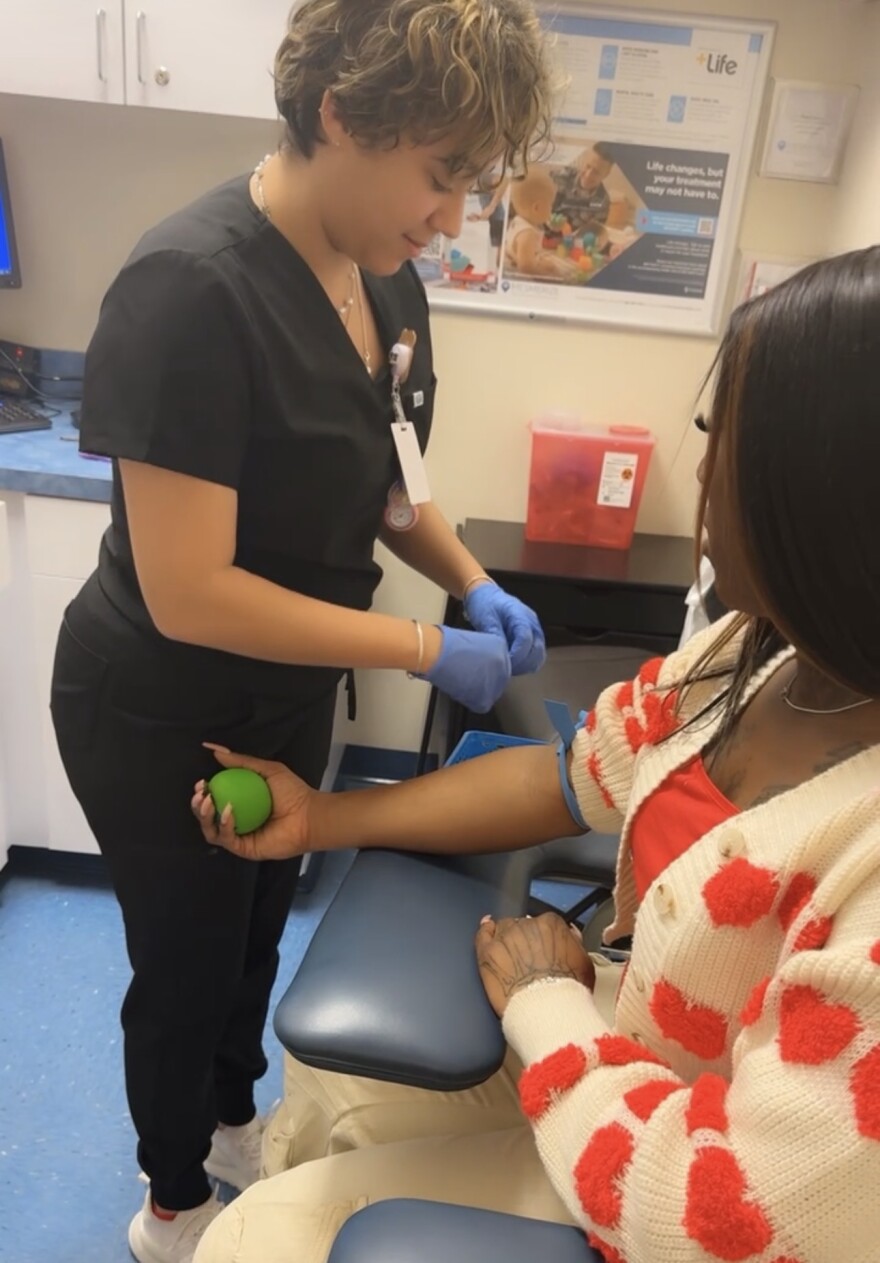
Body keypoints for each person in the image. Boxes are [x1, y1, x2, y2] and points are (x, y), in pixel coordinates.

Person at [192, 246, 880, 1263]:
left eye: (720, 440)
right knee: (333, 1094)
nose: (699, 475)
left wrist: (546, 1003)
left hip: (684, 1175)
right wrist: (323, 818)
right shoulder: (754, 656)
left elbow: (727, 1221)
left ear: (823, 490)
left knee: (253, 1237)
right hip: (637, 1044)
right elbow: (565, 776)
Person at [49, 3, 554, 1260]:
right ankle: (173, 1203)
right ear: (341, 115)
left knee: (258, 929)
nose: (451, 217)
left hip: (289, 688)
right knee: (186, 961)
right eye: (439, 175)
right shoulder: (190, 290)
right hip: (160, 700)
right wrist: (426, 649)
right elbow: (191, 591)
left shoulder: (384, 277)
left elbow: (390, 487)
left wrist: (469, 581)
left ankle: (229, 1122)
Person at [503, 167, 581, 280]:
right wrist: (548, 274)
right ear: (537, 208)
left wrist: (555, 226)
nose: (551, 209)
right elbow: (525, 267)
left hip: (521, 258)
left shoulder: (520, 219)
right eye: (550, 205)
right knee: (556, 271)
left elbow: (543, 223)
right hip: (522, 275)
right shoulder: (528, 234)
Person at [550, 141, 617, 237]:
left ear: (606, 174)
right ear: (584, 161)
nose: (588, 175)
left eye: (596, 172)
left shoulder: (602, 202)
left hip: (572, 243)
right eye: (588, 166)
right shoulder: (563, 175)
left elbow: (592, 236)